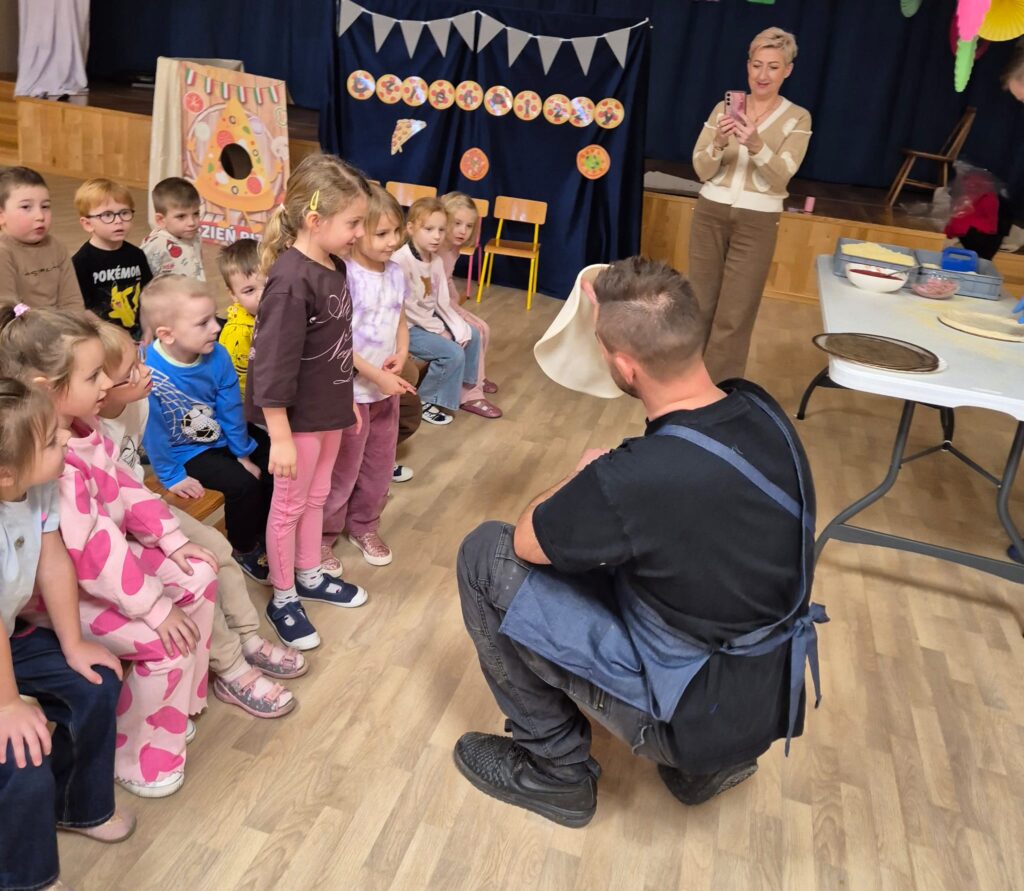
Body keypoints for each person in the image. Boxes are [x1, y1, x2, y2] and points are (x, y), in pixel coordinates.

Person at [453, 258, 825, 828]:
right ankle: (711, 767)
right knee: (631, 556)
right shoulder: (759, 410)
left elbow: (528, 541)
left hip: (692, 715)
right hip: (765, 697)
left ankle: (556, 772)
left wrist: (581, 476)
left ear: (624, 367)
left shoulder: (636, 479)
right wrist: (608, 297)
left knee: (485, 555)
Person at [0, 303, 217, 799]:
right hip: (67, 594)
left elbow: (126, 488)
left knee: (199, 573)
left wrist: (171, 539)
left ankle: (172, 708)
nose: (107, 384)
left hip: (101, 577)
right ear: (45, 388)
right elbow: (92, 550)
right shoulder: (51, 460)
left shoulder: (82, 427)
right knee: (162, 640)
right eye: (93, 375)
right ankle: (136, 752)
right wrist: (154, 607)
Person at [95, 322, 300, 719]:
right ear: (101, 390)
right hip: (111, 525)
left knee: (218, 546)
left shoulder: (138, 400)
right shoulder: (92, 430)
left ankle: (248, 638)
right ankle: (230, 667)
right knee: (195, 571)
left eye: (140, 359)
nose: (147, 370)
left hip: (140, 507)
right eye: (132, 370)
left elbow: (134, 476)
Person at [0, 376, 135, 891]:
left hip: (10, 636)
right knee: (21, 755)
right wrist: (7, 704)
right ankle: (25, 879)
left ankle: (77, 806)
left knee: (95, 683)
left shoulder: (36, 485)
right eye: (51, 441)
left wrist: (74, 643)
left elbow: (53, 559)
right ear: (6, 472)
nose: (65, 439)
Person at [246, 154, 369, 651]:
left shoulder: (334, 265)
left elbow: (335, 345)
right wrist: (279, 435)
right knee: (289, 506)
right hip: (295, 422)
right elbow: (273, 367)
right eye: (353, 223)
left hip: (327, 410)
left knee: (317, 497)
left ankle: (309, 573)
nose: (359, 233)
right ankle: (283, 597)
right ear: (315, 221)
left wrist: (347, 396)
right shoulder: (291, 280)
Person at [688, 27, 812, 382]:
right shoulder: (723, 108)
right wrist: (717, 141)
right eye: (757, 65)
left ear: (787, 70)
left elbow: (781, 178)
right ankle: (687, 381)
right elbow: (701, 169)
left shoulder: (798, 117)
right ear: (747, 66)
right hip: (710, 212)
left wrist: (757, 145)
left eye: (773, 66)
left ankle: (718, 391)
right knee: (698, 305)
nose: (762, 74)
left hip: (758, 221)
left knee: (735, 313)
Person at [140, 275, 273, 584]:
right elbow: (153, 433)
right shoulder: (150, 372)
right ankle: (243, 547)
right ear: (167, 335)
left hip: (225, 433)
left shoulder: (218, 354)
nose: (216, 327)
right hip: (185, 450)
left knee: (271, 460)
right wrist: (171, 476)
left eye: (214, 317)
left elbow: (230, 409)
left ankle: (267, 530)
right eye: (203, 323)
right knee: (243, 485)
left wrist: (243, 453)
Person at [321, 185, 416, 571]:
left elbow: (400, 318)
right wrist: (375, 375)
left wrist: (402, 352)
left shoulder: (395, 272)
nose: (393, 241)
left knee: (379, 466)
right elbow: (337, 340)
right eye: (382, 233)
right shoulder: (344, 276)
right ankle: (323, 536)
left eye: (397, 231)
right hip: (352, 396)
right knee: (342, 472)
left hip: (384, 394)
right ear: (357, 232)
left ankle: (364, 525)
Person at [393, 198, 499, 424]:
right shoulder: (401, 260)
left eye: (441, 230)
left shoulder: (435, 260)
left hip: (425, 321)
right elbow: (406, 308)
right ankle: (426, 400)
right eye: (429, 229)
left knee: (471, 332)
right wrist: (437, 329)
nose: (437, 236)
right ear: (411, 228)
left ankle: (466, 385)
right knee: (453, 352)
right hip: (407, 327)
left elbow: (440, 301)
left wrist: (454, 325)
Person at [72, 177, 153, 340]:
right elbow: (81, 308)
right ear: (88, 224)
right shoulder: (81, 262)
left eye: (124, 213)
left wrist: (148, 331)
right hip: (102, 336)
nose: (119, 221)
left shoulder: (136, 255)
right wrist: (114, 336)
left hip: (138, 332)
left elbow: (148, 296)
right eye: (107, 215)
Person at [438, 192, 500, 398]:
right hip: (434, 306)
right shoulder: (436, 248)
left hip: (445, 302)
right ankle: (470, 392)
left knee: (484, 328)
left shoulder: (453, 248)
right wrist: (453, 307)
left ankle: (476, 376)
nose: (463, 231)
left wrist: (454, 299)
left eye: (469, 226)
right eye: (457, 223)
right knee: (475, 332)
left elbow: (446, 277)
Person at [0, 166, 84, 311]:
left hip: (61, 323)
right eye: (26, 207)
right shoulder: (3, 252)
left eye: (45, 206)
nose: (40, 216)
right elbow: (7, 311)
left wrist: (72, 323)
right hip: (22, 324)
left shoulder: (57, 247)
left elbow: (72, 301)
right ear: (1, 216)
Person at [217, 238, 265, 398]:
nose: (262, 295)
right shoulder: (238, 333)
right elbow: (238, 380)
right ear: (233, 294)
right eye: (249, 290)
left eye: (268, 283)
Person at [141, 177, 205, 280]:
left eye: (196, 214)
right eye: (181, 216)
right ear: (161, 220)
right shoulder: (155, 245)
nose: (192, 223)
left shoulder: (195, 235)